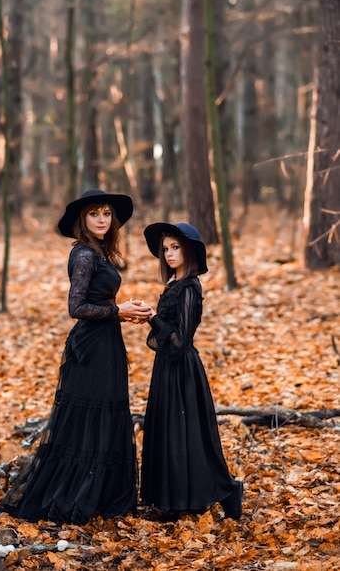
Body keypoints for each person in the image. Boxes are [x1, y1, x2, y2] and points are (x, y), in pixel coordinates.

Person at [0, 189, 152, 525]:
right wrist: (117, 310)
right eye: (94, 214)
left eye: (106, 214)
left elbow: (102, 302)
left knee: (108, 414)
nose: (101, 220)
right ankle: (76, 495)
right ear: (83, 219)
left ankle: (102, 494)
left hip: (107, 341)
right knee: (88, 419)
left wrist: (126, 312)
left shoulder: (100, 252)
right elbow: (76, 308)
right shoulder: (83, 254)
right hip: (89, 348)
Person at [140, 222, 243, 521]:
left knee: (186, 437)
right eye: (166, 249)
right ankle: (176, 501)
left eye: (176, 247)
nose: (169, 254)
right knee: (172, 434)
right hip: (168, 368)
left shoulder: (189, 288)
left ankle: (226, 491)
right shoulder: (174, 285)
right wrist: (152, 318)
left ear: (189, 251)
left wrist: (152, 318)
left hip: (182, 369)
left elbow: (179, 340)